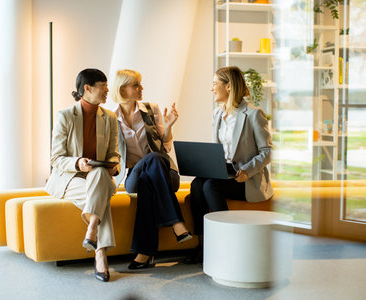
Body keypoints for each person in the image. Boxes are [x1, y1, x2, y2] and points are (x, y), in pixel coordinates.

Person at [186, 66, 274, 264]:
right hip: (224, 172)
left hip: (246, 177)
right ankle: (204, 246)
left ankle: (226, 243)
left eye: (215, 83)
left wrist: (247, 171)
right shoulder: (217, 114)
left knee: (210, 186)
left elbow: (268, 151)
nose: (212, 88)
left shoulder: (253, 114)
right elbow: (218, 151)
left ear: (228, 86)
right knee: (197, 184)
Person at [111, 69, 192, 270]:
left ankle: (145, 253)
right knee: (149, 167)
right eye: (136, 85)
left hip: (165, 174)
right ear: (122, 89)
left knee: (153, 167)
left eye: (140, 84)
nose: (141, 88)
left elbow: (165, 148)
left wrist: (170, 125)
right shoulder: (111, 119)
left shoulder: (151, 109)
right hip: (132, 176)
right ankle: (176, 224)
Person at [45, 68, 120, 282]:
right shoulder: (65, 116)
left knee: (99, 174)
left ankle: (92, 230)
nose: (107, 91)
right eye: (103, 87)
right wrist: (78, 163)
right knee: (100, 200)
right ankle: (100, 254)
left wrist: (113, 165)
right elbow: (56, 159)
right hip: (70, 179)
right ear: (87, 88)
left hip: (100, 177)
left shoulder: (110, 117)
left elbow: (114, 153)